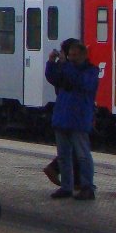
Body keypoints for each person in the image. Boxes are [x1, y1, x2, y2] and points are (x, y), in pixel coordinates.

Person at [44, 40, 98, 200]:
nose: (71, 58)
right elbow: (53, 78)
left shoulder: (90, 71)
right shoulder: (67, 69)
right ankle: (66, 187)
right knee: (63, 156)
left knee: (82, 155)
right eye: (70, 55)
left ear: (83, 55)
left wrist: (66, 65)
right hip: (62, 117)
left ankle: (87, 187)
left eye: (75, 55)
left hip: (78, 119)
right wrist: (51, 62)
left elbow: (79, 81)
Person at [42, 38, 81, 188]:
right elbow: (65, 81)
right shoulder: (67, 68)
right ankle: (58, 170)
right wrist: (54, 62)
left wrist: (52, 62)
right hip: (71, 112)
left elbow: (52, 77)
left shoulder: (63, 67)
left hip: (66, 112)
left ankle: (74, 180)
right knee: (75, 147)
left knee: (73, 146)